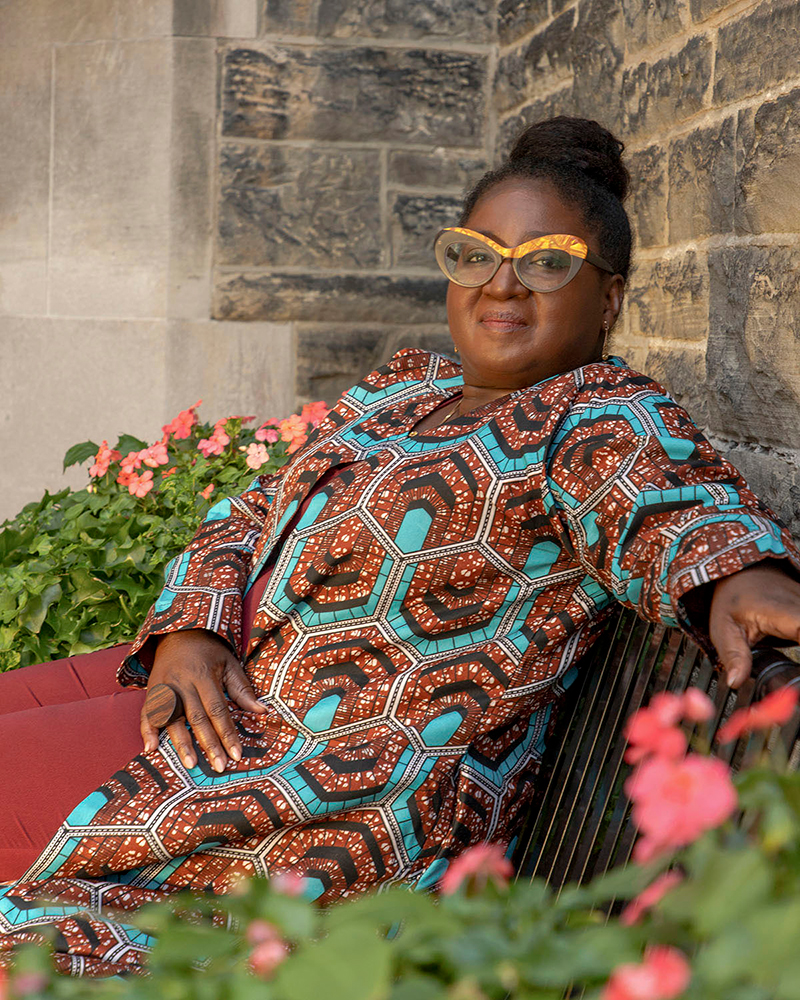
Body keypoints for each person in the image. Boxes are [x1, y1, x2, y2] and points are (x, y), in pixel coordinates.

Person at [2, 116, 800, 977]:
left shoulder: (593, 411)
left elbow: (661, 502)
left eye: (547, 262)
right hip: (210, 690)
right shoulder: (403, 386)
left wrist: (736, 575)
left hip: (310, 795)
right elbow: (249, 509)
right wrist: (191, 629)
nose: (504, 284)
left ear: (607, 297)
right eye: (477, 254)